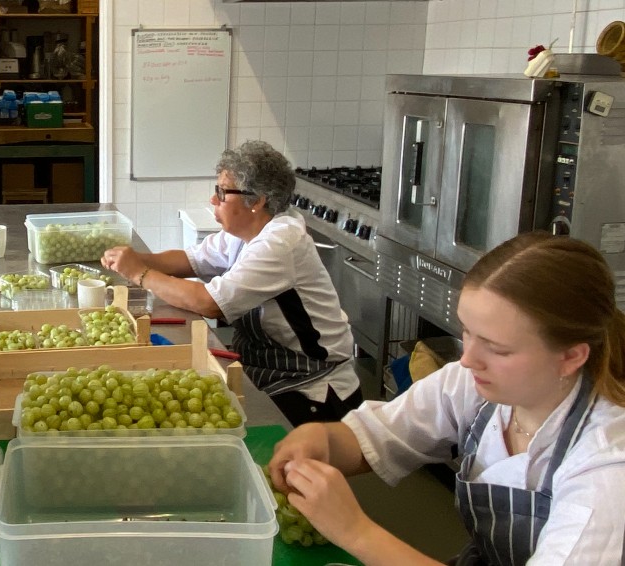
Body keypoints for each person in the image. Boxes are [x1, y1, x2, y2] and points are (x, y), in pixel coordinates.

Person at [268, 232, 625, 565]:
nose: (468, 359)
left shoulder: (607, 466)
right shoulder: (476, 384)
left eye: (497, 348)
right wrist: (325, 439)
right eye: (467, 332)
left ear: (571, 357)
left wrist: (356, 532)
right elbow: (382, 436)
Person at [101, 140, 363, 426]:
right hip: (263, 366)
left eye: (222, 192)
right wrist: (135, 259)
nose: (214, 200)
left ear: (258, 200)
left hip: (311, 385)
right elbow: (191, 260)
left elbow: (209, 303)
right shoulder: (245, 231)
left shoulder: (280, 242)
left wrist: (141, 274)